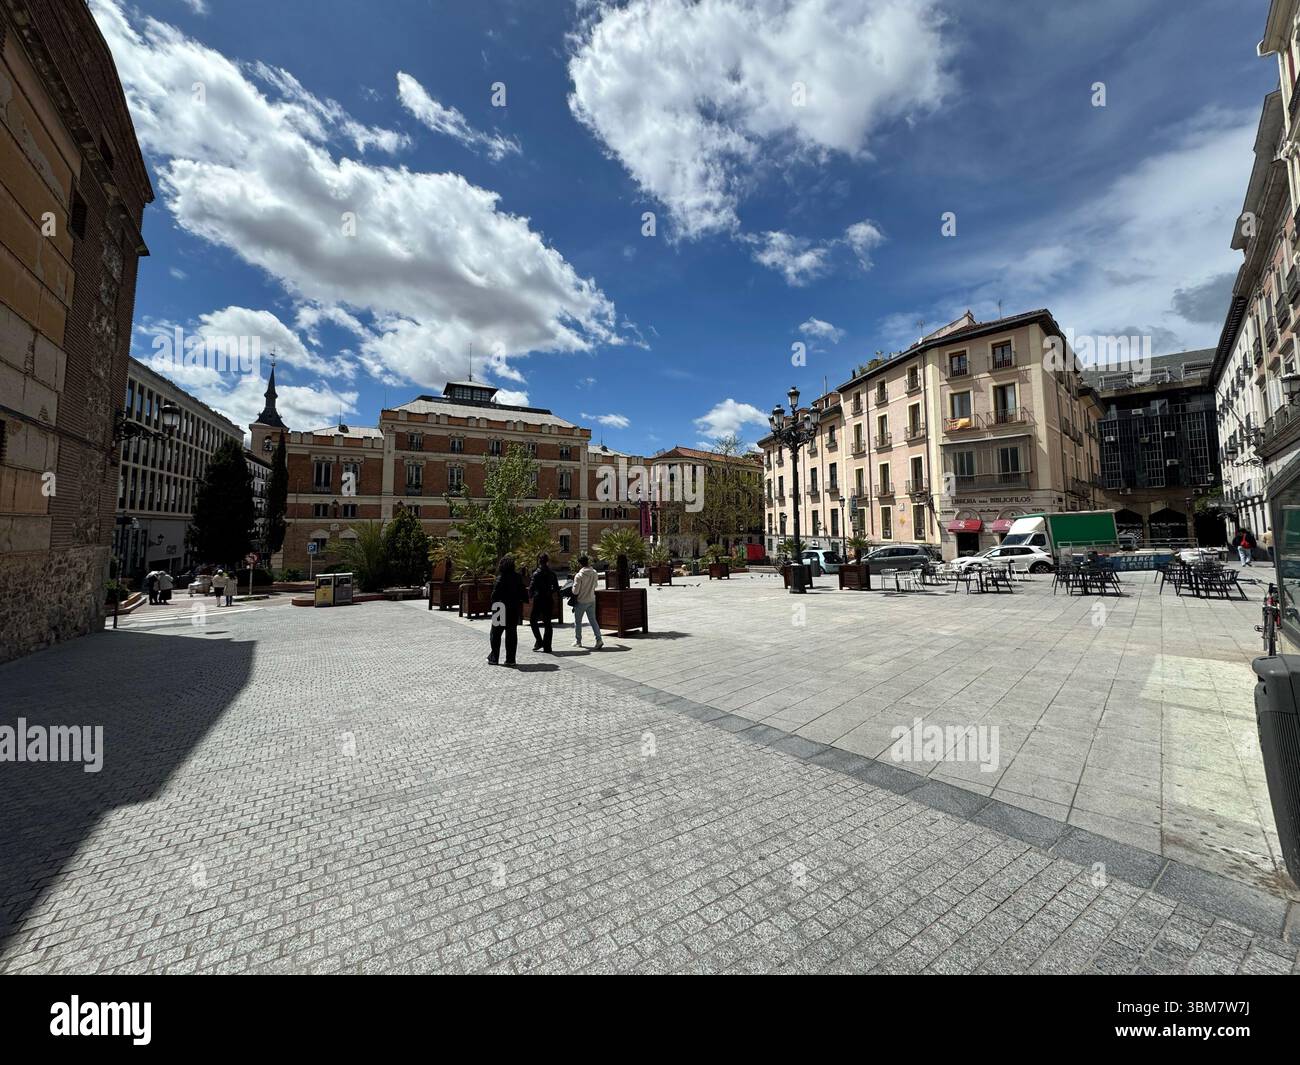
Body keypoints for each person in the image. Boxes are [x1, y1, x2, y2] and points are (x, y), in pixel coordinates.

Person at [488, 556, 528, 665]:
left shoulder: (499, 578)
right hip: (513, 609)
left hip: (499, 608)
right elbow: (523, 592)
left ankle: (494, 657)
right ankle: (510, 659)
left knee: (495, 634)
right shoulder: (517, 577)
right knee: (511, 634)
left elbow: (494, 596)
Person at [529, 553, 560, 653]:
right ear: (547, 561)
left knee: (533, 620)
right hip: (548, 599)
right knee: (547, 623)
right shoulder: (552, 573)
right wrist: (549, 592)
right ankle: (547, 646)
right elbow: (556, 588)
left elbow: (531, 588)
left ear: (539, 561)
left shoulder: (536, 574)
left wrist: (531, 595)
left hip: (538, 600)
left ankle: (539, 640)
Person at [570, 555, 603, 650]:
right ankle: (599, 639)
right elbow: (596, 585)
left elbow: (575, 591)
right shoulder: (594, 573)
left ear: (580, 564)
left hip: (581, 601)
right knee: (593, 620)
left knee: (578, 622)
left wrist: (572, 587)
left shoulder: (579, 575)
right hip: (592, 599)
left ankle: (578, 641)